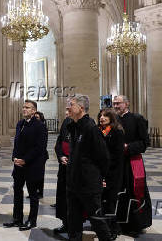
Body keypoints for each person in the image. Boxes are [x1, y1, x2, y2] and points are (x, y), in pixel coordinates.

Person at [66, 94, 112, 241]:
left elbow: (104, 157)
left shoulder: (91, 128)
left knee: (97, 220)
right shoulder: (74, 127)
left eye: (71, 104)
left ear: (80, 107)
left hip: (88, 185)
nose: (67, 107)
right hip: (74, 183)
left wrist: (100, 177)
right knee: (73, 221)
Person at [3, 100, 47, 231]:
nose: (24, 109)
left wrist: (25, 160)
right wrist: (14, 157)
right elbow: (17, 142)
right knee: (17, 192)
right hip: (18, 165)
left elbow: (39, 148)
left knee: (33, 194)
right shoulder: (20, 123)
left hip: (32, 165)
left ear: (34, 111)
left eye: (27, 107)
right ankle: (17, 219)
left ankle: (32, 221)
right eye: (23, 107)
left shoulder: (39, 126)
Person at [113, 95, 152, 237]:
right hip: (116, 164)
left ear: (127, 104)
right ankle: (117, 222)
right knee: (117, 192)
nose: (116, 106)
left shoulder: (137, 119)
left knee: (133, 192)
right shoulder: (112, 119)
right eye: (114, 103)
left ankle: (135, 224)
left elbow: (144, 142)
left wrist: (127, 147)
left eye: (119, 103)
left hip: (131, 163)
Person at [97, 108, 125, 240]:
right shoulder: (99, 131)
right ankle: (104, 226)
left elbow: (117, 156)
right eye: (101, 115)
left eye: (105, 116)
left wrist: (105, 173)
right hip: (100, 172)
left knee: (111, 202)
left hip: (112, 173)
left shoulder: (117, 132)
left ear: (112, 118)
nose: (102, 118)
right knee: (102, 201)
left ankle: (114, 228)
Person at [53, 108, 72, 234]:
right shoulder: (66, 122)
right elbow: (59, 142)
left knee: (74, 198)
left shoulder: (88, 124)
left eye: (69, 108)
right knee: (63, 196)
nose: (66, 111)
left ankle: (75, 226)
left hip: (76, 167)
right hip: (64, 165)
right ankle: (65, 223)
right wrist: (60, 156)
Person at [34, 111, 48, 199]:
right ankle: (34, 191)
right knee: (33, 175)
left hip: (41, 155)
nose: (35, 119)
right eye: (34, 117)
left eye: (37, 117)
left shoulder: (43, 127)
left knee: (40, 175)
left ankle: (40, 192)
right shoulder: (32, 127)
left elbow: (43, 143)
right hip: (33, 155)